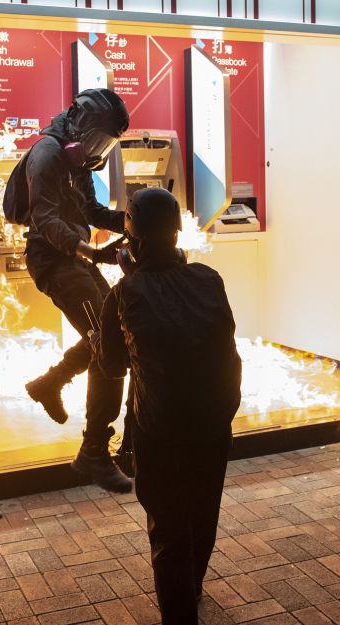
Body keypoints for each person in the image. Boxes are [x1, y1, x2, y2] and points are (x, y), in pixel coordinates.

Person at [92, 188, 242, 624]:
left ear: (133, 242)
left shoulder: (124, 295)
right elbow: (226, 344)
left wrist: (100, 340)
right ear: (177, 234)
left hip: (160, 433)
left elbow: (115, 367)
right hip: (213, 426)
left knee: (168, 532)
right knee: (202, 515)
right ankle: (191, 588)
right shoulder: (209, 279)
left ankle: (179, 612)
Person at [21, 88, 133, 493]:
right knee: (108, 342)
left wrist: (137, 220)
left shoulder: (78, 159)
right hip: (52, 260)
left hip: (76, 259)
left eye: (106, 144)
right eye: (97, 139)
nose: (97, 149)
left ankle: (50, 383)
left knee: (116, 331)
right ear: (80, 126)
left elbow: (91, 212)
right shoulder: (48, 154)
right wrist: (93, 250)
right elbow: (46, 219)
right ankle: (95, 451)